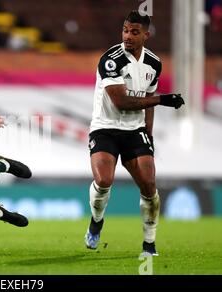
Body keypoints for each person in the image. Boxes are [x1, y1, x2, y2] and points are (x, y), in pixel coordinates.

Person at [84, 10, 185, 256]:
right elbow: (120, 102)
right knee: (104, 180)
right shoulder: (111, 59)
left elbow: (148, 101)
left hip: (134, 130)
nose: (128, 36)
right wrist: (162, 100)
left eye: (134, 32)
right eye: (125, 30)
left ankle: (149, 244)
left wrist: (148, 134)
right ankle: (96, 222)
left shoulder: (154, 63)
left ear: (146, 35)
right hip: (105, 127)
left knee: (149, 185)